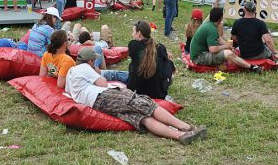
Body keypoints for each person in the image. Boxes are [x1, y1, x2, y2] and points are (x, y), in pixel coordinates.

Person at [65, 47, 206, 144]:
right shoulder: (84, 68)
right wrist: (95, 71)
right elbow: (102, 83)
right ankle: (186, 128)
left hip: (98, 105)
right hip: (105, 95)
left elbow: (69, 91)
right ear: (90, 61)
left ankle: (179, 136)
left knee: (141, 118)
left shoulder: (71, 73)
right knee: (147, 104)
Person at [190, 7, 262, 73]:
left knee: (228, 51)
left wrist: (229, 47)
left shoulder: (209, 25)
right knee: (228, 54)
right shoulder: (211, 29)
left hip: (200, 54)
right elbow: (213, 49)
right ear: (220, 18)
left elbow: (219, 39)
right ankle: (252, 67)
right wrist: (226, 46)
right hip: (199, 58)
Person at [127, 21, 174, 99]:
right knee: (168, 63)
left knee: (125, 73)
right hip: (158, 94)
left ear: (139, 33)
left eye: (133, 32)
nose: (132, 34)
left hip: (139, 92)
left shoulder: (133, 45)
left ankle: (103, 73)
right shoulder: (160, 48)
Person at [231, 1, 278, 66]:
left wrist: (243, 43)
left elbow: (234, 38)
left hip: (244, 55)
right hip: (259, 54)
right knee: (267, 48)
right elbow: (268, 40)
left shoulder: (237, 22)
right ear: (255, 11)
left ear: (244, 10)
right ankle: (275, 60)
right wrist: (275, 52)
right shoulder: (260, 23)